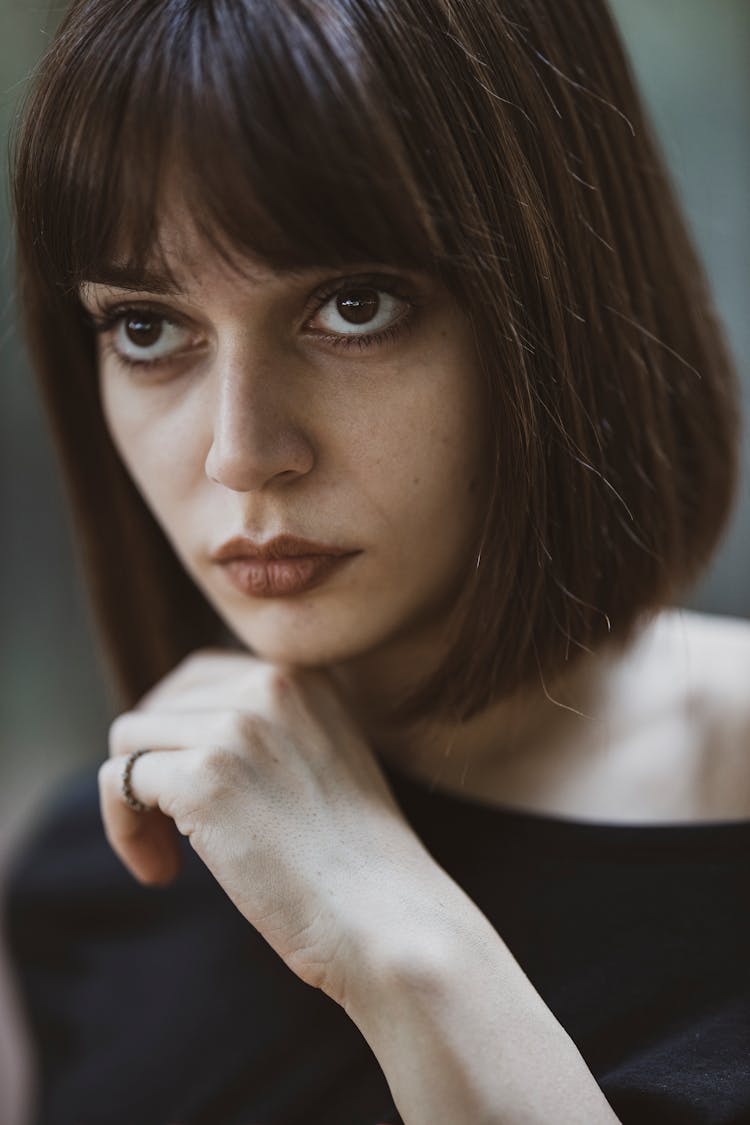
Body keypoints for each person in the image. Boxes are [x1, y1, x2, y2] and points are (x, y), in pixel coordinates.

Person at [2, 0, 748, 1122]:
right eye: (147, 328)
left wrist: (399, 940)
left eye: (355, 307)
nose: (242, 454)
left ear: (561, 309)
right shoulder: (104, 865)